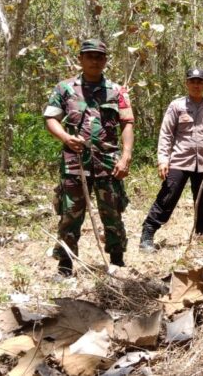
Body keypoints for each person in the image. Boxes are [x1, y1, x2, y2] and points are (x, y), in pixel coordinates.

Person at [43, 39, 134, 276]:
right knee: (70, 213)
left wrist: (125, 157)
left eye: (99, 56)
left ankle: (117, 260)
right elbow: (51, 118)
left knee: (112, 212)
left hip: (108, 163)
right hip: (75, 163)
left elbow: (127, 123)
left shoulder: (117, 91)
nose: (95, 60)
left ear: (105, 60)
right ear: (80, 59)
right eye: (90, 56)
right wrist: (65, 137)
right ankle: (65, 263)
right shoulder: (65, 88)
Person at [139, 68, 203, 250]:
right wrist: (163, 159)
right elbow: (166, 133)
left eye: (200, 82)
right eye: (193, 81)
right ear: (186, 83)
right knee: (167, 197)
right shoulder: (177, 106)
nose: (196, 85)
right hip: (179, 160)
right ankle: (148, 233)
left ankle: (202, 235)